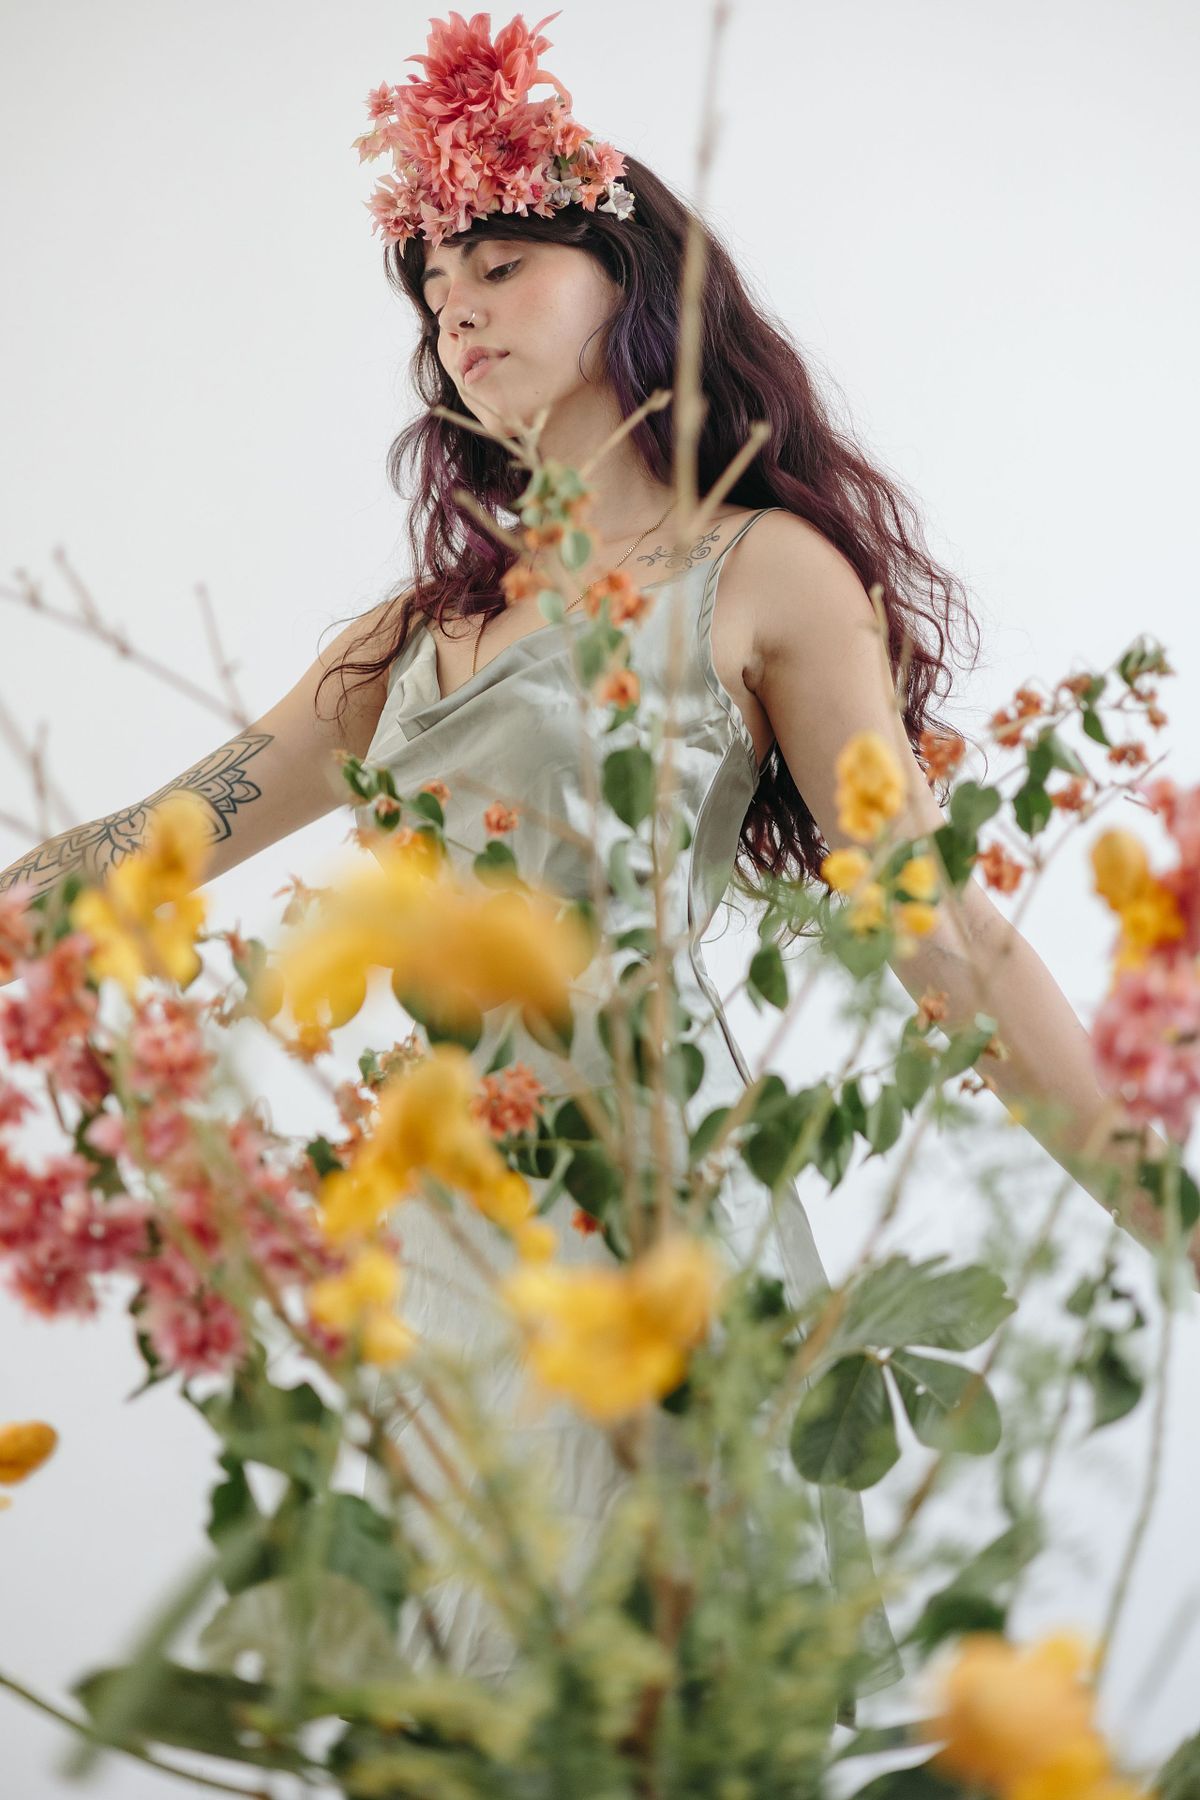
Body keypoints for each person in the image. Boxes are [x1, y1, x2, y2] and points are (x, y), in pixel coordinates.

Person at [1, 5, 1183, 1734]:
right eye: (434, 288)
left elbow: (934, 926)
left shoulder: (764, 572)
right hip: (436, 1225)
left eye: (500, 263)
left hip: (655, 1204)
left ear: (629, 282)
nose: (456, 308)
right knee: (471, 1721)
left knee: (665, 1701)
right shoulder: (408, 639)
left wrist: (1159, 1203)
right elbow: (152, 841)